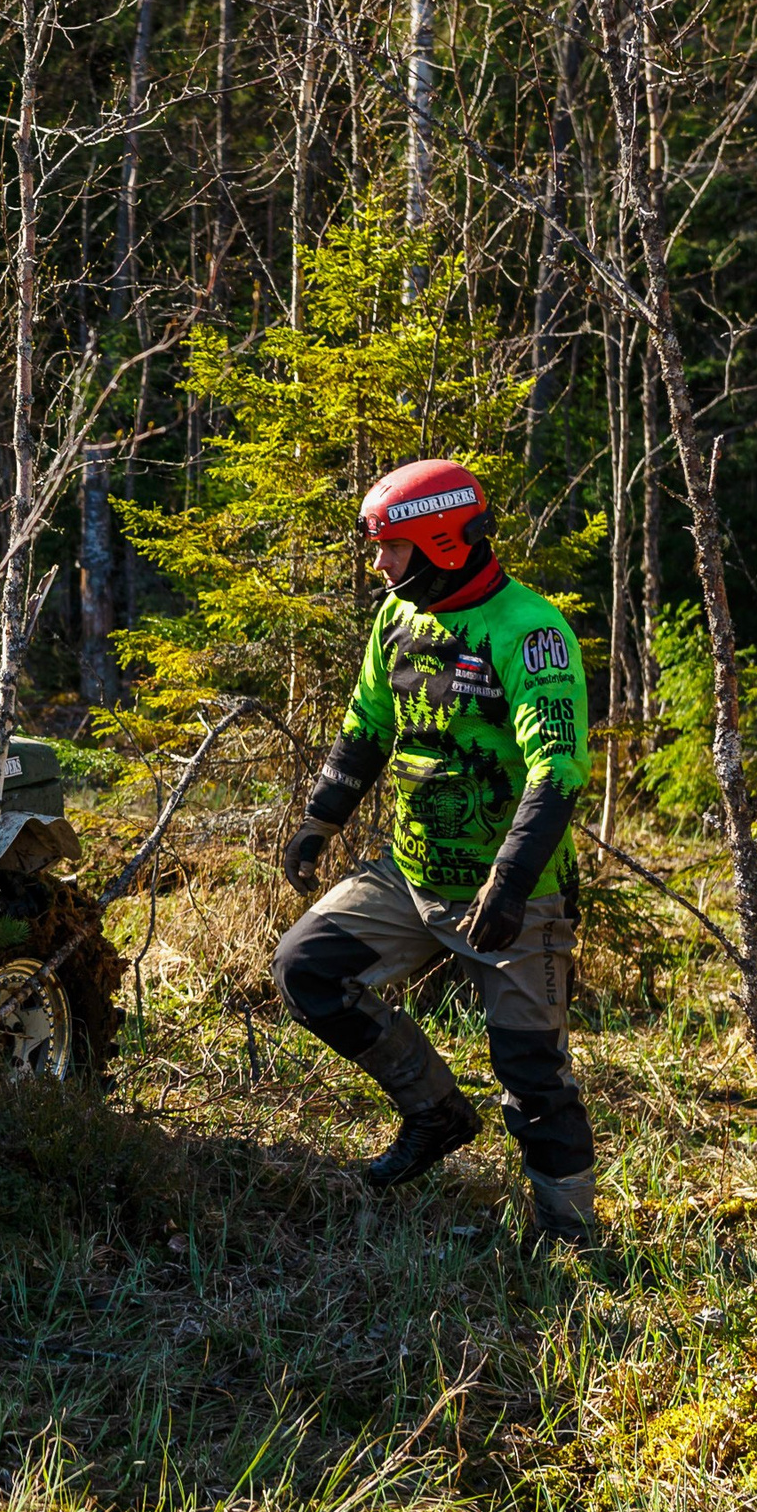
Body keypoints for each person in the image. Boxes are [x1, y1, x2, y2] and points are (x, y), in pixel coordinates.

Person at [273, 458, 599, 1247]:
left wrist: (512, 883)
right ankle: (436, 1110)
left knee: (532, 1076)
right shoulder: (398, 618)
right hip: (410, 876)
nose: (378, 564)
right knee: (305, 968)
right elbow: (368, 722)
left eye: (391, 548)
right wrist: (322, 819)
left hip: (516, 898)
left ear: (442, 541)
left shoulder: (530, 632)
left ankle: (571, 1236)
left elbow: (558, 767)